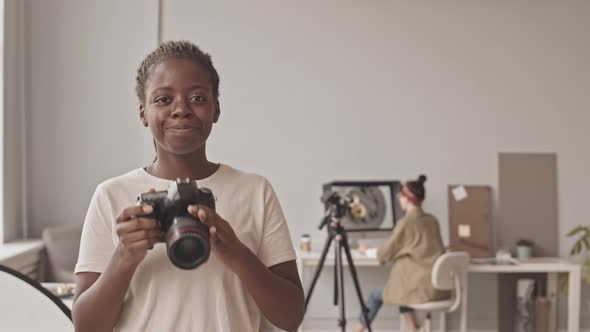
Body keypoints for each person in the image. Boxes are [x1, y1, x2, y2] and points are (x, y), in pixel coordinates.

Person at [72, 40, 304, 332]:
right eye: (163, 99)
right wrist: (124, 257)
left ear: (216, 109)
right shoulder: (111, 195)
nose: (181, 109)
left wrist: (238, 255)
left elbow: (291, 316)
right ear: (143, 112)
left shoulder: (255, 191)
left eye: (197, 98)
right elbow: (85, 326)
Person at [354, 175, 449, 332]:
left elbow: (384, 254)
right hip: (436, 287)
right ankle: (412, 327)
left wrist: (368, 251)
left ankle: (356, 330)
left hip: (419, 290)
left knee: (376, 294)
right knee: (400, 283)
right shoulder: (432, 220)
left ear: (405, 199)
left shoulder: (406, 223)